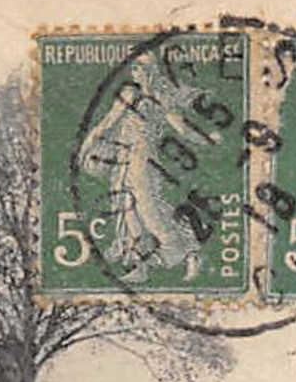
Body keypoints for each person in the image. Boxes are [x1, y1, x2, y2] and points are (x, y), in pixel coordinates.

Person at [77, 56, 218, 284]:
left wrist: (207, 139)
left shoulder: (161, 97)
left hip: (144, 158)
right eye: (134, 67)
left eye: (141, 67)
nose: (136, 71)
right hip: (124, 155)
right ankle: (139, 265)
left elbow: (182, 128)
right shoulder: (128, 93)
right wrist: (86, 145)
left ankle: (190, 251)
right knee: (127, 209)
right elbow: (107, 123)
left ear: (152, 69)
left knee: (149, 210)